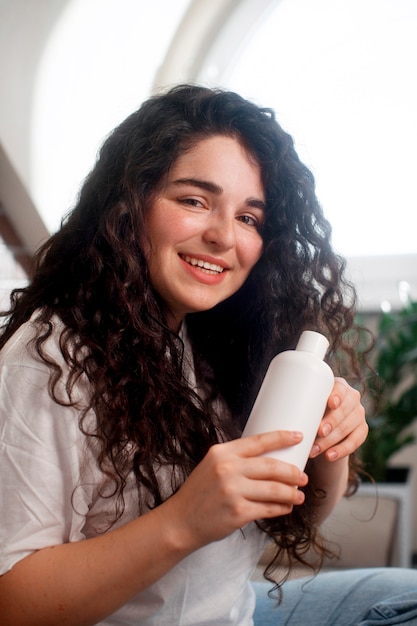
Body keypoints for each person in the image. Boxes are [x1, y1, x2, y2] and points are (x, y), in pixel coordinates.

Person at [0, 84, 416, 626]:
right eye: (194, 200)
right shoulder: (48, 362)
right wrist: (184, 521)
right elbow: (11, 603)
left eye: (249, 218)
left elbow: (300, 515)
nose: (223, 236)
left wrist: (324, 446)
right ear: (129, 207)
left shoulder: (214, 342)